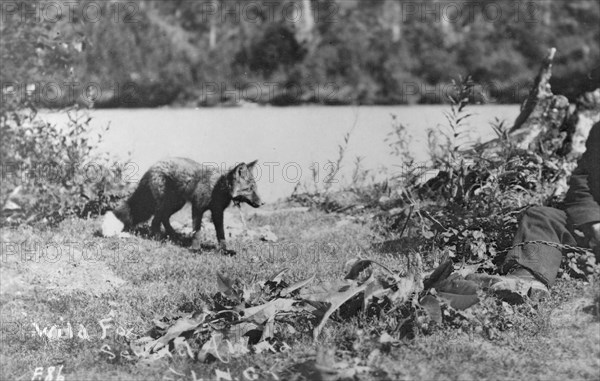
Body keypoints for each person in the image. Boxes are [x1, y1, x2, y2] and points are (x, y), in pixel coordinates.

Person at [467, 121, 600, 301]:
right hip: (594, 230)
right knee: (541, 216)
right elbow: (582, 183)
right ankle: (527, 280)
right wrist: (594, 223)